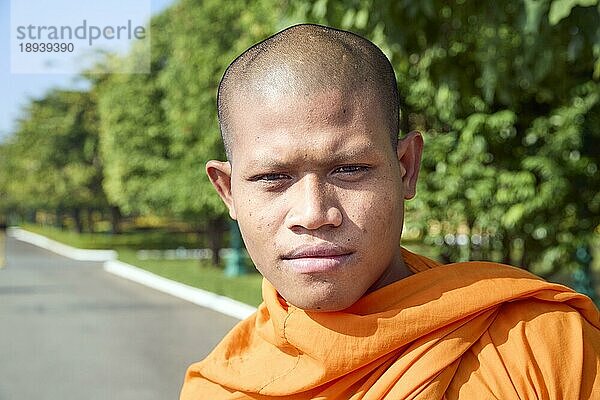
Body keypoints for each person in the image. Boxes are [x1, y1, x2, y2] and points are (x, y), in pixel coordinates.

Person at [180, 24, 600, 399]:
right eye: (273, 177)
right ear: (228, 191)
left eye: (349, 169)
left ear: (406, 169)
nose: (313, 213)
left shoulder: (542, 342)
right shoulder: (220, 388)